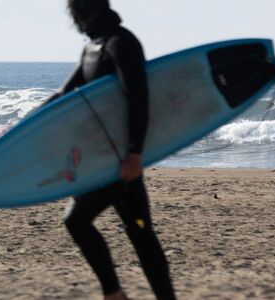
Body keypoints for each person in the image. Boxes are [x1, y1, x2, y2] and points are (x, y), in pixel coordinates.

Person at [43, 1, 177, 299]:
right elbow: (63, 96)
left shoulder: (121, 43)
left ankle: (113, 294)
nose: (73, 17)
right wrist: (24, 126)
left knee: (80, 221)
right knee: (140, 233)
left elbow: (139, 98)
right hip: (103, 161)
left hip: (120, 162)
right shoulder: (94, 48)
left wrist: (135, 154)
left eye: (75, 10)